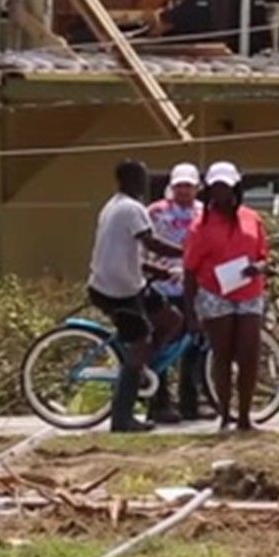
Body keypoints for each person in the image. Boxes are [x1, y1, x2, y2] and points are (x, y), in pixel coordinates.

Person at [87, 159, 184, 434]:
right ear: (129, 181)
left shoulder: (114, 205)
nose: (145, 183)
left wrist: (158, 271)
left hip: (131, 284)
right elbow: (152, 243)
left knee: (172, 320)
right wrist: (190, 250)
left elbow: (124, 251)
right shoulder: (132, 208)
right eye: (141, 178)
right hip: (116, 292)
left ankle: (147, 375)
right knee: (140, 344)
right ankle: (122, 418)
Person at [182, 161, 270, 432]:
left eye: (226, 188)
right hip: (215, 294)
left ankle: (244, 416)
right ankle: (225, 414)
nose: (222, 194)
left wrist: (258, 268)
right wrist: (190, 313)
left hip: (248, 292)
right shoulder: (200, 226)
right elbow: (189, 271)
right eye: (216, 188)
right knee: (222, 355)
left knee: (249, 354)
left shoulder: (251, 218)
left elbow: (265, 256)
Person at [146, 162, 206, 424]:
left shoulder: (204, 212)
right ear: (172, 186)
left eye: (189, 186)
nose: (184, 190)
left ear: (197, 188)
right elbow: (145, 243)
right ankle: (159, 403)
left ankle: (190, 402)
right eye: (179, 185)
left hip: (194, 287)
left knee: (194, 346)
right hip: (163, 287)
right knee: (163, 346)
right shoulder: (156, 212)